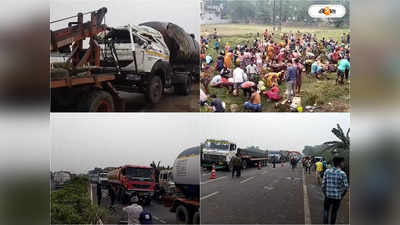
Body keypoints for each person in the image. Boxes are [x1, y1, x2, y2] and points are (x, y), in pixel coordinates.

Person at [322, 156, 349, 224]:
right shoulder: (342, 173)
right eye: (342, 162)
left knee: (326, 211)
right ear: (340, 163)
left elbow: (323, 185)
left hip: (328, 196)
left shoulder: (327, 171)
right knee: (334, 212)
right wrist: (341, 195)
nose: (343, 164)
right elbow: (346, 187)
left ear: (333, 163)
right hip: (337, 197)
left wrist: (325, 193)